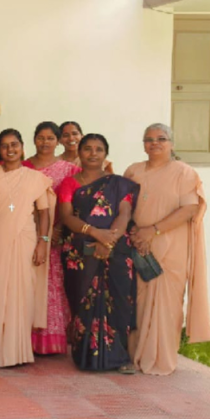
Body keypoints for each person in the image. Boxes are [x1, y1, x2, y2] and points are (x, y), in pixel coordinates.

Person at [125, 123, 210, 375]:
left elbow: (189, 208)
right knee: (138, 301)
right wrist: (135, 231)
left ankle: (161, 359)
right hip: (137, 244)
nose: (155, 143)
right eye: (149, 139)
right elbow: (122, 205)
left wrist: (153, 230)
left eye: (161, 138)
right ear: (143, 144)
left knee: (167, 302)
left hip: (170, 245)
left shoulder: (184, 173)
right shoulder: (133, 171)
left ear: (171, 144)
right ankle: (135, 355)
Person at [0, 129, 54, 368]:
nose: (10, 149)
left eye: (14, 144)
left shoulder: (35, 178)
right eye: (5, 145)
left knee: (21, 290)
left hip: (24, 237)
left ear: (22, 147)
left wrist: (43, 241)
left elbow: (44, 212)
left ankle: (17, 350)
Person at [57, 134, 138, 372]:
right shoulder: (69, 183)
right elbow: (66, 216)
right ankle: (85, 357)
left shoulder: (119, 183)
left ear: (106, 154)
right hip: (80, 253)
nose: (93, 154)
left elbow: (124, 213)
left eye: (99, 149)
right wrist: (95, 233)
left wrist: (109, 240)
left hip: (116, 250)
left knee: (120, 302)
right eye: (88, 149)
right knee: (81, 301)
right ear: (79, 153)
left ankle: (120, 358)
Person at [23, 122, 79, 355]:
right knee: (28, 282)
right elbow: (13, 203)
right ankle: (25, 337)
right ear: (34, 139)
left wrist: (59, 230)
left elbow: (75, 205)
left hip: (57, 237)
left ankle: (50, 338)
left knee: (53, 285)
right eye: (40, 137)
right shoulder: (23, 167)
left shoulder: (69, 170)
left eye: (50, 138)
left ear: (58, 141)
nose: (45, 142)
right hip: (25, 234)